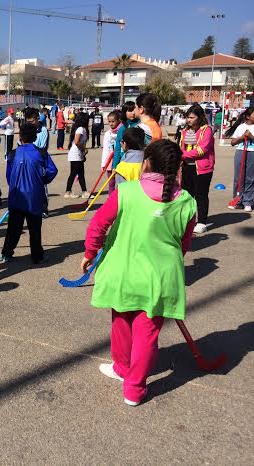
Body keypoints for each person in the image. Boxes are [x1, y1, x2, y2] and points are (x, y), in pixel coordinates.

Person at [81, 139, 197, 407]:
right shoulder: (188, 202)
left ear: (146, 163)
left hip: (124, 272)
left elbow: (99, 224)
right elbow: (184, 244)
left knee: (121, 321)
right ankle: (134, 388)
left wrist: (90, 253)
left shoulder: (127, 191)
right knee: (147, 333)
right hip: (159, 278)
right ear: (178, 168)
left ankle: (123, 368)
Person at [1, 123, 48, 264]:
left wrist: (14, 185)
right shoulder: (41, 153)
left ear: (20, 137)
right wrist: (41, 180)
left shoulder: (13, 153)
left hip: (16, 197)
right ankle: (37, 256)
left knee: (13, 228)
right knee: (35, 229)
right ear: (35, 137)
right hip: (34, 197)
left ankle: (6, 253)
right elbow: (51, 170)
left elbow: (9, 176)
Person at [179, 104, 215, 234]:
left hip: (202, 168)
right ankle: (188, 219)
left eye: (192, 117)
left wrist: (181, 155)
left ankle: (202, 221)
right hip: (187, 167)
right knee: (186, 195)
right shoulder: (185, 131)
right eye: (188, 117)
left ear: (200, 118)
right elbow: (182, 147)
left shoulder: (207, 130)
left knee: (201, 195)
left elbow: (201, 150)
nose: (189, 120)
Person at [225, 107, 254, 213]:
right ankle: (237, 200)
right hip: (240, 152)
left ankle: (248, 201)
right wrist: (242, 138)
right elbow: (232, 142)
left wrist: (251, 136)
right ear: (247, 116)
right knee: (239, 177)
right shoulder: (241, 127)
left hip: (252, 153)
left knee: (250, 178)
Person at [25, 107, 51, 217]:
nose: (30, 124)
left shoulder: (43, 130)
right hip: (27, 162)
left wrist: (30, 151)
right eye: (28, 122)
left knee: (41, 187)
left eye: (31, 121)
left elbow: (42, 148)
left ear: (37, 119)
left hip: (39, 163)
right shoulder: (26, 129)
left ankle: (44, 209)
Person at [112, 101, 140, 193]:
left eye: (134, 110)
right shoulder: (122, 128)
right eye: (129, 110)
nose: (132, 113)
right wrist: (114, 166)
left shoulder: (140, 126)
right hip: (124, 163)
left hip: (137, 164)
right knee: (123, 190)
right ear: (124, 112)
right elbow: (117, 149)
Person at [64, 111, 90, 199]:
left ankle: (84, 191)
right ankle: (68, 191)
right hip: (75, 154)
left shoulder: (81, 128)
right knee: (74, 173)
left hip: (78, 154)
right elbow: (77, 141)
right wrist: (83, 149)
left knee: (81, 173)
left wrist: (83, 153)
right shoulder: (80, 129)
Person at [101, 110, 122, 193]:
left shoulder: (122, 131)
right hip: (110, 161)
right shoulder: (107, 134)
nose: (111, 123)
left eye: (113, 121)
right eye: (109, 121)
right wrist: (104, 164)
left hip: (120, 159)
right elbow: (105, 149)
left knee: (121, 182)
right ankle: (111, 199)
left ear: (118, 121)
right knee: (111, 182)